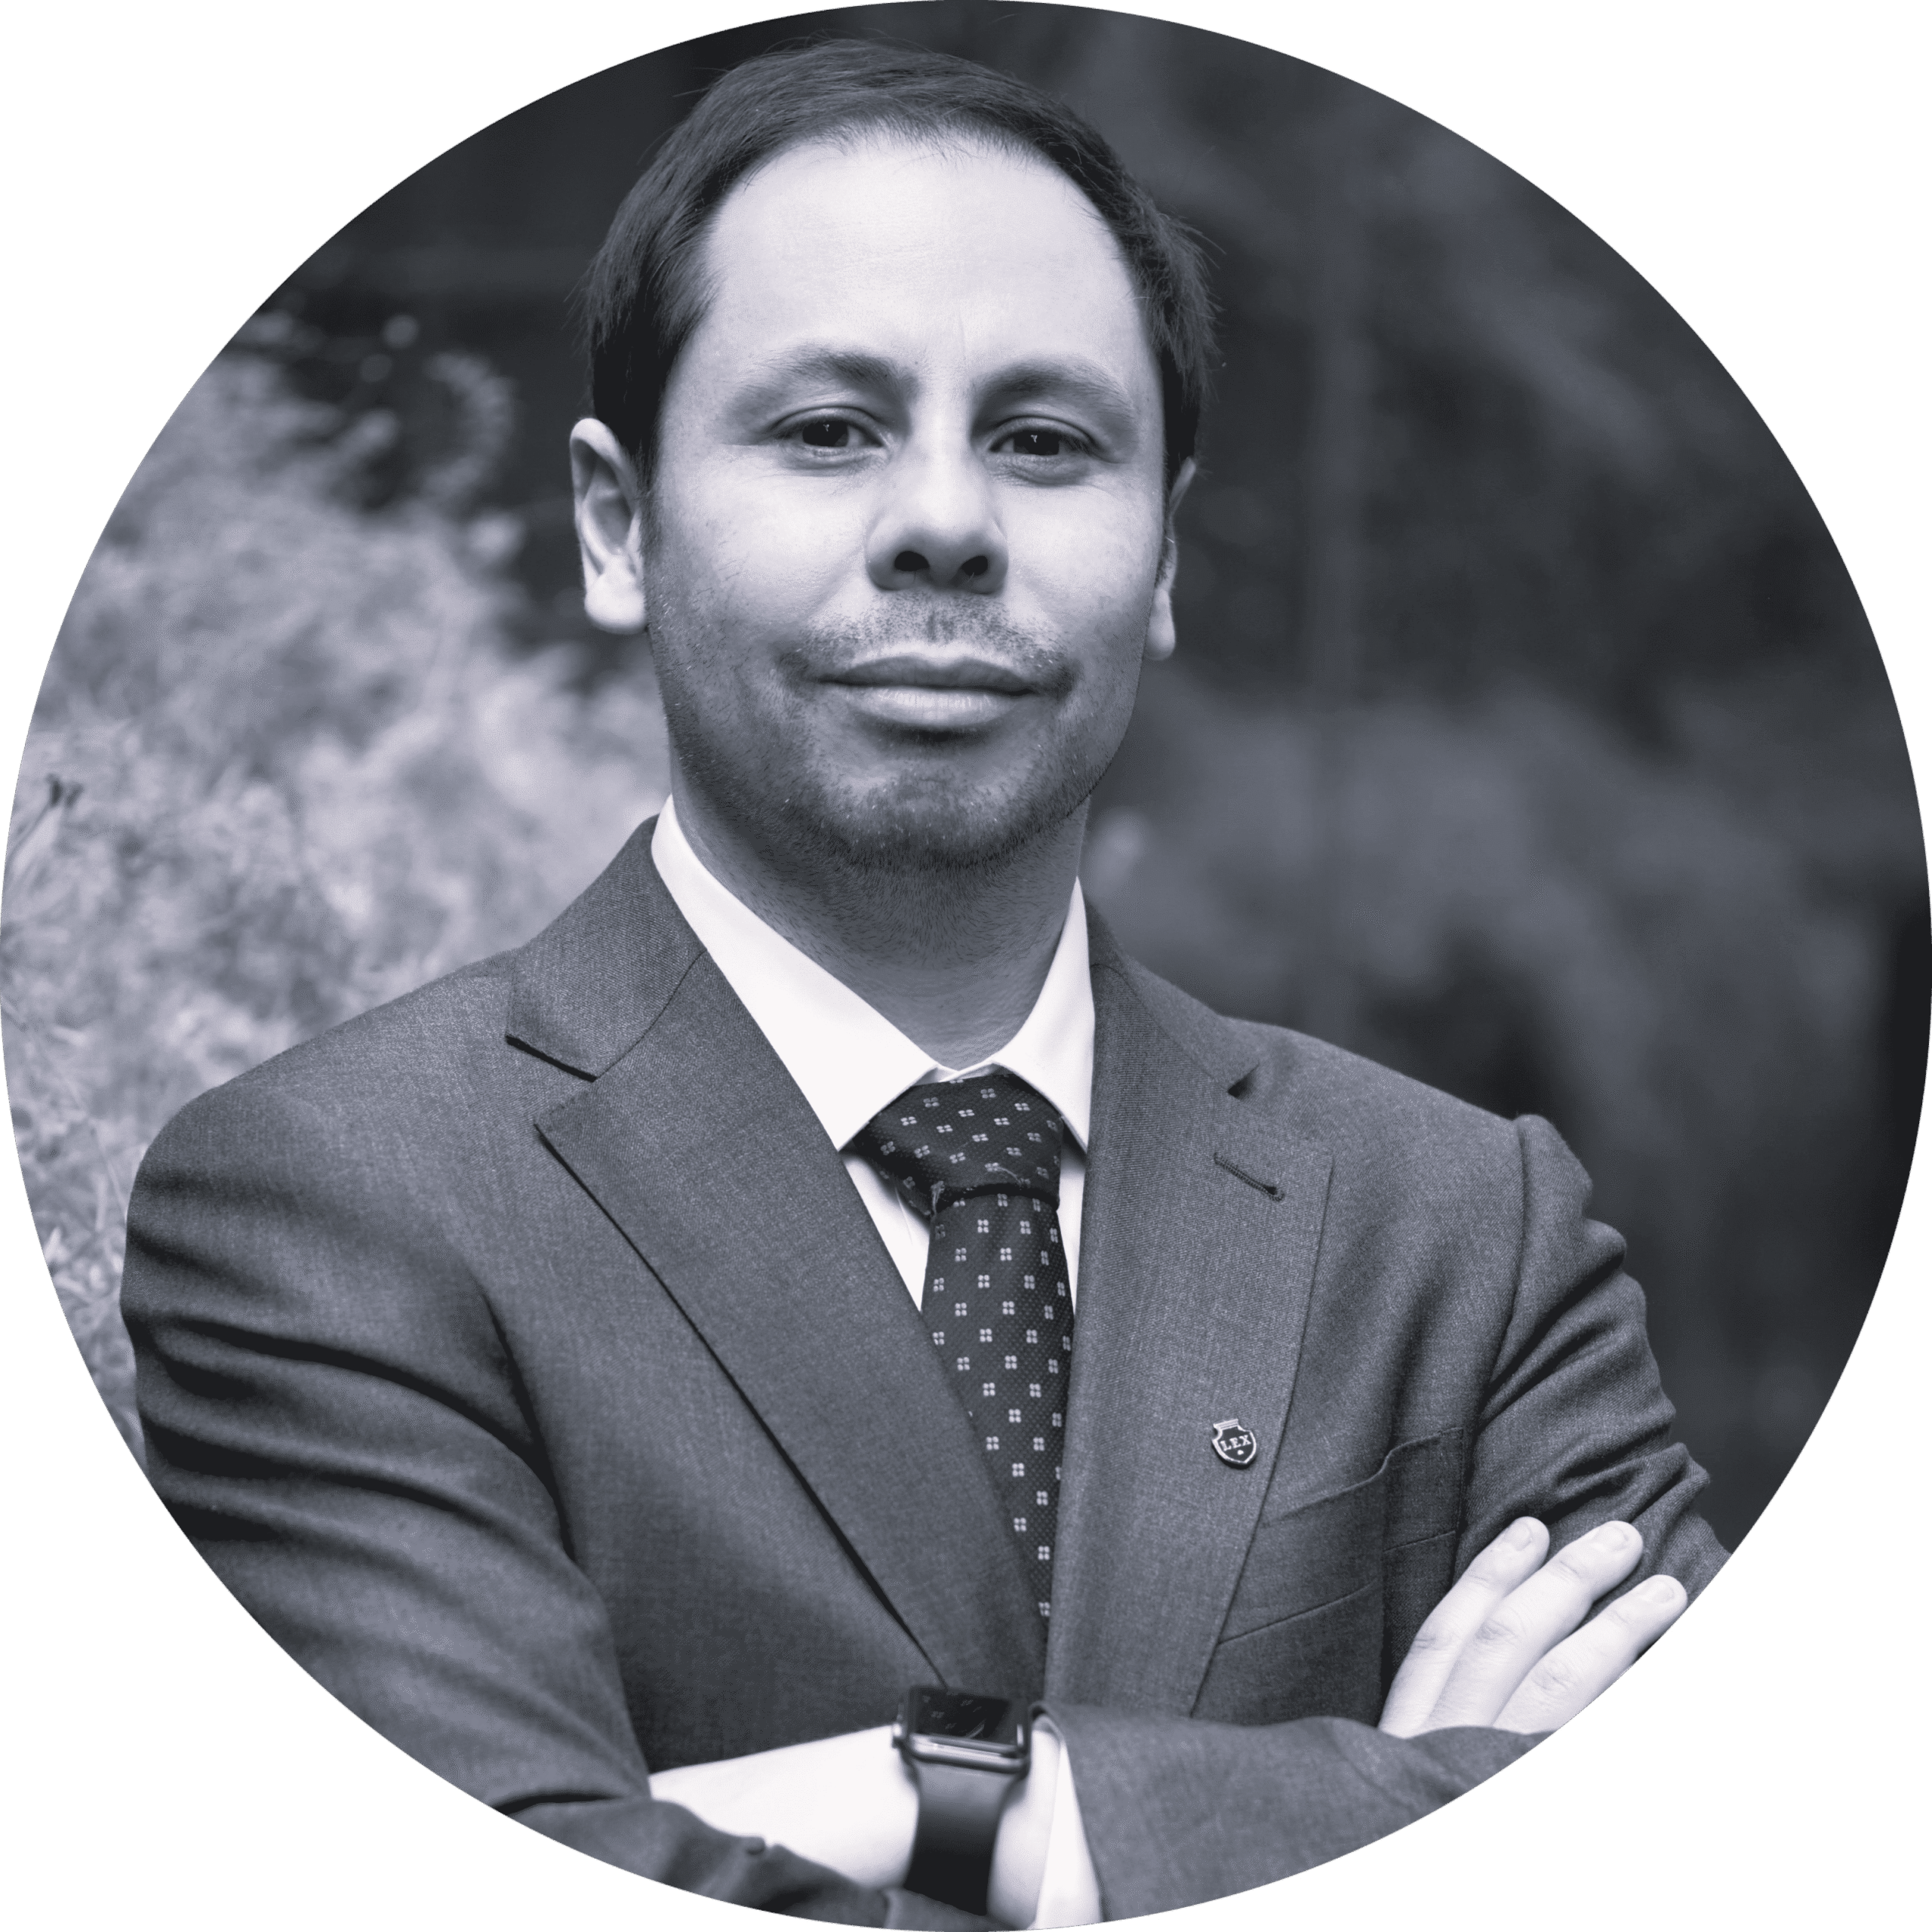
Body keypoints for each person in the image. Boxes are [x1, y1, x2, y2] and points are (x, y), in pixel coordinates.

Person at [122, 39, 1725, 1928]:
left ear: (1161, 554)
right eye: (827, 429)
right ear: (617, 526)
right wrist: (1395, 1794)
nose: (946, 520)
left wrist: (969, 1803)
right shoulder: (333, 1209)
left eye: (1043, 439)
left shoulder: (1459, 1231)